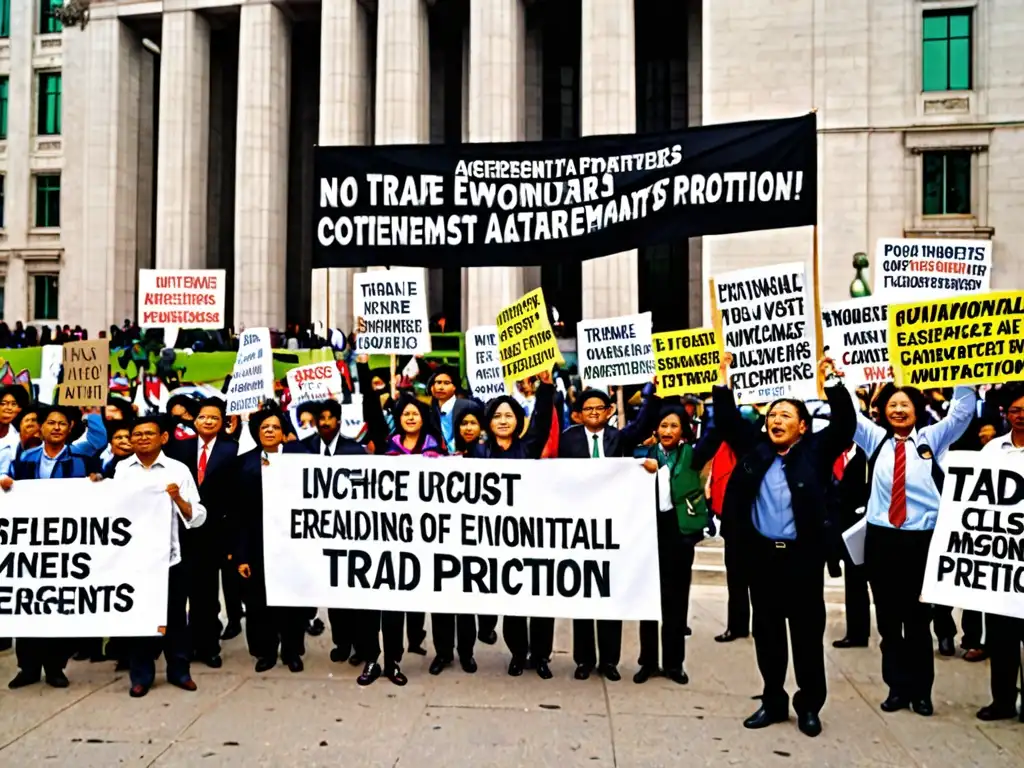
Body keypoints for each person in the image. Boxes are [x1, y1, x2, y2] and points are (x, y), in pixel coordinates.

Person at [713, 354, 855, 738]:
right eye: (772, 415)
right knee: (769, 635)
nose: (776, 421)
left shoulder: (816, 451)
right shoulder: (754, 449)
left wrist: (834, 384)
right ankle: (772, 700)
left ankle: (809, 706)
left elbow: (844, 427)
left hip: (803, 561)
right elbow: (726, 421)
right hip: (761, 560)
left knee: (807, 638)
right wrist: (724, 380)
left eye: (786, 416)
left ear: (803, 427)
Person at [852, 381, 976, 718]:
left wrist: (963, 373)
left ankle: (922, 693)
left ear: (916, 409)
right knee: (890, 624)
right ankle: (896, 689)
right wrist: (833, 380)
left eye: (904, 404)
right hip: (882, 541)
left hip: (921, 542)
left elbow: (963, 412)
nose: (898, 410)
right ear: (883, 411)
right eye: (892, 405)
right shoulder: (873, 440)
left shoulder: (932, 438)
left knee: (919, 622)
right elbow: (847, 414)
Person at [560, 382, 661, 682]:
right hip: (579, 528)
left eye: (598, 408)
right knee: (582, 594)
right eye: (587, 409)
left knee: (609, 593)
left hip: (612, 528)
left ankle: (609, 661)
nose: (593, 413)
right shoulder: (570, 440)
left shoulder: (619, 437)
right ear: (579, 415)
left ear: (609, 412)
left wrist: (652, 392)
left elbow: (644, 422)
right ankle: (583, 660)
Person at [1, 405, 104, 688]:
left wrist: (93, 414)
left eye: (62, 424)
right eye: (51, 423)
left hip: (67, 544)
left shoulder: (81, 456)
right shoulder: (25, 458)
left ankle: (56, 666)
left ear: (70, 429)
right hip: (32, 545)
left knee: (58, 605)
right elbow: (12, 488)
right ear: (41, 428)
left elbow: (99, 442)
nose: (56, 427)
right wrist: (7, 485)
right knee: (30, 604)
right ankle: (28, 668)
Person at [466, 372, 555, 677]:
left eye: (509, 415)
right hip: (494, 537)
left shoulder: (528, 447)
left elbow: (542, 422)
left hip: (531, 534)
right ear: (489, 422)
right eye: (497, 416)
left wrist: (546, 387)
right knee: (513, 598)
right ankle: (518, 653)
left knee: (540, 599)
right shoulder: (478, 452)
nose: (503, 421)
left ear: (518, 420)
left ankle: (541, 656)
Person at [115, 415, 206, 697]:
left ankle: (180, 672)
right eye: (137, 434)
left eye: (149, 434)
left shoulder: (177, 470)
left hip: (170, 559)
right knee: (140, 618)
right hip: (134, 561)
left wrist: (178, 498)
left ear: (163, 438)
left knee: (176, 618)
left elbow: (199, 516)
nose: (142, 438)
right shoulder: (122, 469)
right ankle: (141, 676)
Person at [635, 405, 721, 685]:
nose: (667, 431)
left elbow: (716, 431)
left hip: (680, 535)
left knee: (676, 600)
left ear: (683, 430)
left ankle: (674, 664)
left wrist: (722, 383)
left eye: (673, 426)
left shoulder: (691, 455)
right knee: (648, 600)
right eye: (663, 426)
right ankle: (647, 661)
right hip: (649, 535)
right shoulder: (643, 455)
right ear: (655, 430)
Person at [233, 407, 310, 673]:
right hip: (257, 543)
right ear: (256, 432)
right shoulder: (244, 463)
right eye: (264, 427)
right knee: (258, 603)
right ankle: (265, 652)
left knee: (291, 601)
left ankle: (292, 650)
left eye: (275, 427)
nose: (269, 431)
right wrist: (241, 554)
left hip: (292, 542)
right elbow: (238, 513)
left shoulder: (299, 457)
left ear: (283, 432)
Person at [166, 397, 241, 666]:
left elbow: (236, 495)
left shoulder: (232, 450)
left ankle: (209, 647)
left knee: (207, 594)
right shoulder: (178, 448)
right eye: (202, 417)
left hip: (214, 532)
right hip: (183, 530)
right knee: (180, 592)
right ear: (194, 420)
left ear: (222, 423)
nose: (207, 422)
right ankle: (183, 647)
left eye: (214, 418)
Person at [975, 383, 1024, 723]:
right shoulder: (993, 450)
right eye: (1016, 411)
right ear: (1007, 414)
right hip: (1001, 561)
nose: (1021, 417)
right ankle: (1002, 700)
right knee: (1002, 635)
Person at [450, 398, 499, 646]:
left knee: (486, 585)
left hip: (486, 533)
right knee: (461, 597)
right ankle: (465, 649)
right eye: (464, 423)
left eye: (473, 423)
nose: (468, 428)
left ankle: (487, 626)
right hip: (456, 534)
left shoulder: (488, 452)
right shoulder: (446, 452)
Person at [829, 443, 871, 649]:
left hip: (864, 524)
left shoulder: (868, 454)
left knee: (868, 581)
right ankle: (856, 633)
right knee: (853, 583)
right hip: (839, 526)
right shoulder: (832, 454)